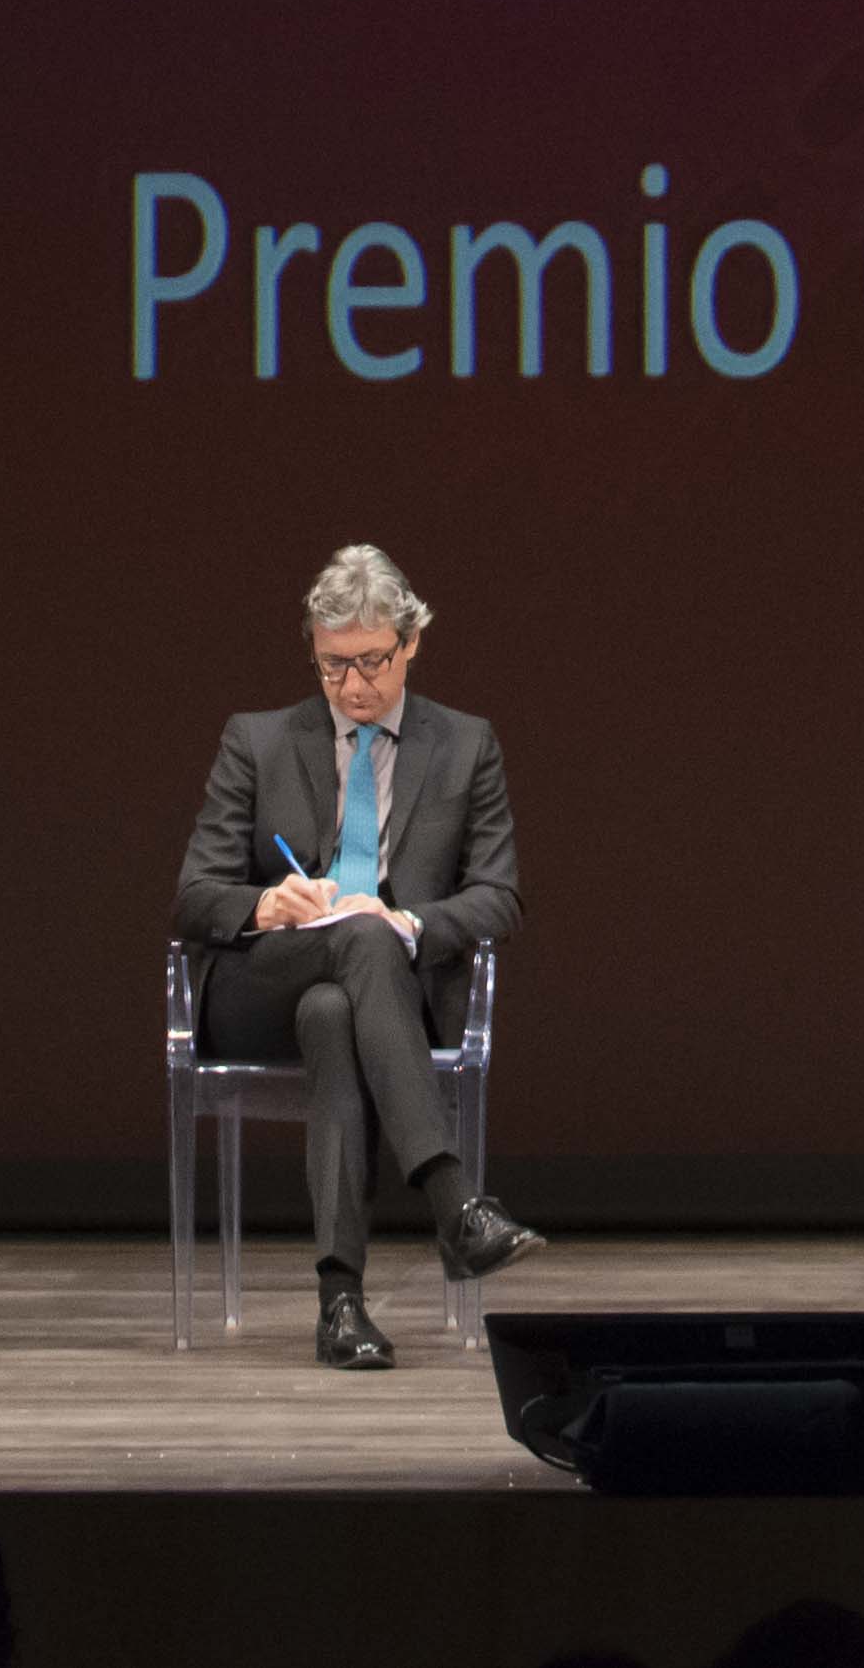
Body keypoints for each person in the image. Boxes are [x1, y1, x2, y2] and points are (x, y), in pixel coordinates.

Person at [171, 540, 541, 1367]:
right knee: (348, 952)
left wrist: (405, 923)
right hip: (261, 984)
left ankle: (340, 1306)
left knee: (335, 1007)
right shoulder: (257, 740)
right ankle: (454, 1202)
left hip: (384, 996)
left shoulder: (465, 744)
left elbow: (498, 896)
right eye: (332, 665)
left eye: (371, 661)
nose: (352, 685)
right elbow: (193, 895)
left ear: (411, 642)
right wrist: (265, 903)